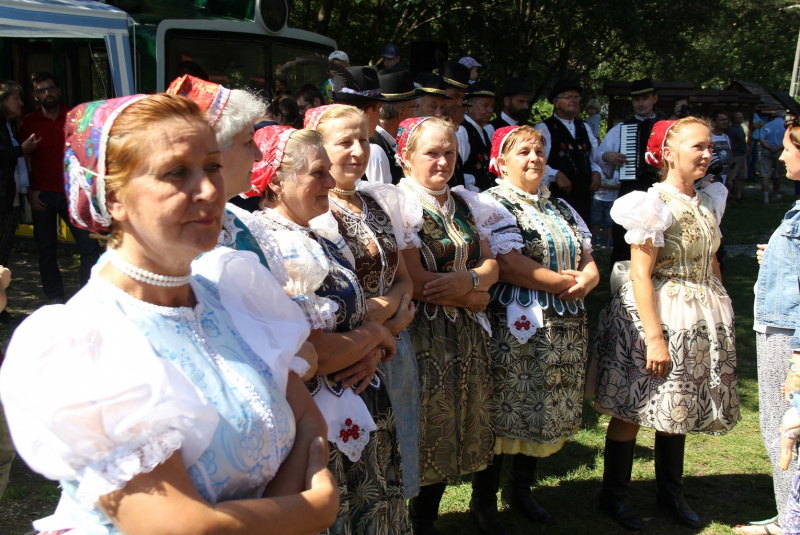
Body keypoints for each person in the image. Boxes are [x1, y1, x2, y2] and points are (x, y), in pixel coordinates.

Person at [0, 94, 339, 534]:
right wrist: (316, 508)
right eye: (177, 172)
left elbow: (308, 421)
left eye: (213, 166)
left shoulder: (232, 291)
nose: (209, 190)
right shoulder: (85, 342)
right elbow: (182, 528)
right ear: (113, 196)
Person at [248, 124, 410, 534]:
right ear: (276, 182)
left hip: (354, 397)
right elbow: (311, 351)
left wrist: (370, 349)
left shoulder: (317, 233)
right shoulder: (272, 244)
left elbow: (352, 319)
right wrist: (376, 338)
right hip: (315, 419)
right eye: (317, 173)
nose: (329, 181)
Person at [593, 118, 740, 530]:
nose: (707, 154)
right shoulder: (652, 204)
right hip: (656, 312)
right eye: (698, 147)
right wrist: (654, 338)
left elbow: (710, 258)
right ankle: (614, 495)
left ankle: (670, 492)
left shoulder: (709, 199)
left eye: (710, 146)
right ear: (669, 153)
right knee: (633, 406)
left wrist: (721, 309)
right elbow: (641, 274)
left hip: (699, 315)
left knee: (679, 406)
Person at [471, 125, 598, 534]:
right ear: (500, 161)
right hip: (513, 329)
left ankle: (521, 490)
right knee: (504, 408)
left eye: (539, 151)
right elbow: (507, 262)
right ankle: (484, 499)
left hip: (562, 325)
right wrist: (563, 283)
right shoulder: (491, 204)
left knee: (541, 406)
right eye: (523, 151)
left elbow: (587, 253)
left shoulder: (559, 206)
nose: (534, 158)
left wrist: (591, 278)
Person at [306, 103, 421, 499]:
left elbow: (406, 280)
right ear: (318, 149)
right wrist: (383, 327)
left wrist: (384, 316)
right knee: (357, 475)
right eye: (344, 142)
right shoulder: (315, 213)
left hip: (393, 348)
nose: (358, 150)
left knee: (396, 455)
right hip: (348, 363)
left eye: (364, 140)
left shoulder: (378, 202)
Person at [394, 116, 500, 535]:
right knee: (426, 428)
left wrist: (472, 280)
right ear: (406, 157)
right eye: (431, 153)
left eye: (449, 152)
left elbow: (491, 264)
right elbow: (418, 283)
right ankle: (416, 521)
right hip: (423, 335)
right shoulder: (400, 204)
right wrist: (475, 295)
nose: (442, 161)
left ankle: (431, 518)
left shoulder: (465, 202)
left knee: (459, 420)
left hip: (466, 333)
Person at [735, 116, 800, 535]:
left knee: (783, 424)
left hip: (788, 334)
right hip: (781, 326)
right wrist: (773, 257)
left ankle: (790, 521)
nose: (780, 154)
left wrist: (797, 354)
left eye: (789, 148)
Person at [18, 72, 101, 304]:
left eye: (51, 88)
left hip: (74, 194)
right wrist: (27, 191)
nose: (48, 93)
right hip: (41, 194)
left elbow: (90, 155)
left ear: (59, 90)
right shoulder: (28, 122)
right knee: (46, 251)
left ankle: (89, 297)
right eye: (42, 90)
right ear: (35, 95)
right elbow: (21, 158)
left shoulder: (76, 117)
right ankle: (55, 299)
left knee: (89, 247)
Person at [599, 78, 661, 265]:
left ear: (654, 99)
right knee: (624, 237)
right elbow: (598, 156)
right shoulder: (621, 129)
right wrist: (607, 156)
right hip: (630, 189)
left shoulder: (665, 128)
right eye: (637, 100)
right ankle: (621, 285)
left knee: (658, 236)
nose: (641, 103)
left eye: (645, 99)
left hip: (659, 190)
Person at [535, 79, 602, 225]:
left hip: (583, 198)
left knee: (584, 240)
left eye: (576, 97)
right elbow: (537, 162)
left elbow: (592, 159)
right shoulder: (545, 128)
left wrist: (596, 171)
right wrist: (556, 174)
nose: (573, 101)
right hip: (558, 198)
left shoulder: (585, 127)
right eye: (568, 97)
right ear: (556, 102)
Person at [330, 66, 391, 184]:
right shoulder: (374, 151)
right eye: (378, 110)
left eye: (362, 141)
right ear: (367, 112)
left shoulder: (322, 145)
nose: (358, 151)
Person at [0, 80, 36, 270]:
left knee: (4, 250)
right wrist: (21, 150)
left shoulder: (7, 125)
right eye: (16, 99)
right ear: (3, 100)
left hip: (10, 197)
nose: (21, 104)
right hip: (3, 199)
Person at [373, 69, 419, 184]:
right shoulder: (375, 149)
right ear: (402, 113)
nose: (416, 113)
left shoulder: (390, 142)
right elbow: (382, 198)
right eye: (414, 107)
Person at [437, 61, 471, 188]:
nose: (459, 103)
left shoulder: (452, 131)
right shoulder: (422, 131)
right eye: (455, 96)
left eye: (462, 98)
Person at [461, 81, 496, 191]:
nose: (490, 110)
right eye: (485, 106)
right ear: (470, 107)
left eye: (492, 106)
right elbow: (459, 170)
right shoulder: (463, 130)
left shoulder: (484, 132)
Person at [762, 111, 788, 203]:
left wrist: (769, 147)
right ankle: (774, 194)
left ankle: (765, 197)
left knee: (765, 174)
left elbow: (761, 138)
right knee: (778, 174)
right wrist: (778, 147)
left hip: (767, 150)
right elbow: (788, 140)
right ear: (784, 116)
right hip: (779, 151)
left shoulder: (767, 125)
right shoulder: (786, 127)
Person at [729, 111, 749, 201]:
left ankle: (739, 196)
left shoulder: (741, 128)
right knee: (732, 177)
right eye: (740, 117)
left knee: (742, 176)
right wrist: (731, 157)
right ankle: (728, 195)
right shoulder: (731, 129)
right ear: (735, 119)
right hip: (735, 155)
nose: (742, 119)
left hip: (742, 154)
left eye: (742, 117)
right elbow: (731, 143)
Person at [710, 110, 732, 185]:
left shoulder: (726, 137)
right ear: (714, 122)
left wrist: (730, 178)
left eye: (726, 119)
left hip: (724, 175)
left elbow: (729, 158)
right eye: (721, 120)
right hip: (711, 176)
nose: (725, 122)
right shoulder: (708, 136)